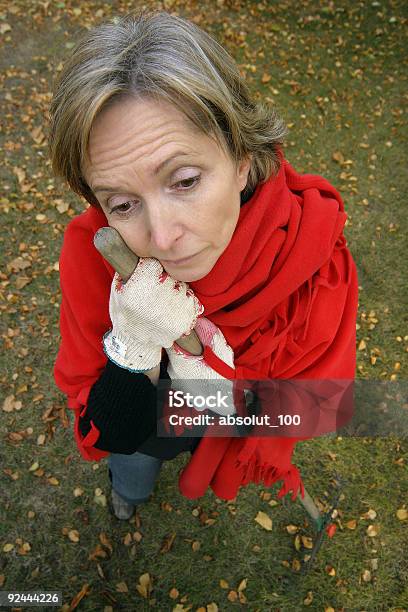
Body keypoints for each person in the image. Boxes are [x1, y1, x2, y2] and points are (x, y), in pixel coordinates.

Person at [49, 10, 358, 521]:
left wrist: (216, 391)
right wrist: (136, 347)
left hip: (219, 430)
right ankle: (129, 494)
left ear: (241, 158)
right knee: (134, 464)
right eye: (123, 204)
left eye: (185, 180)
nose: (164, 238)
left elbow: (315, 401)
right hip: (146, 435)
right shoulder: (92, 256)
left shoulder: (315, 259)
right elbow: (104, 424)